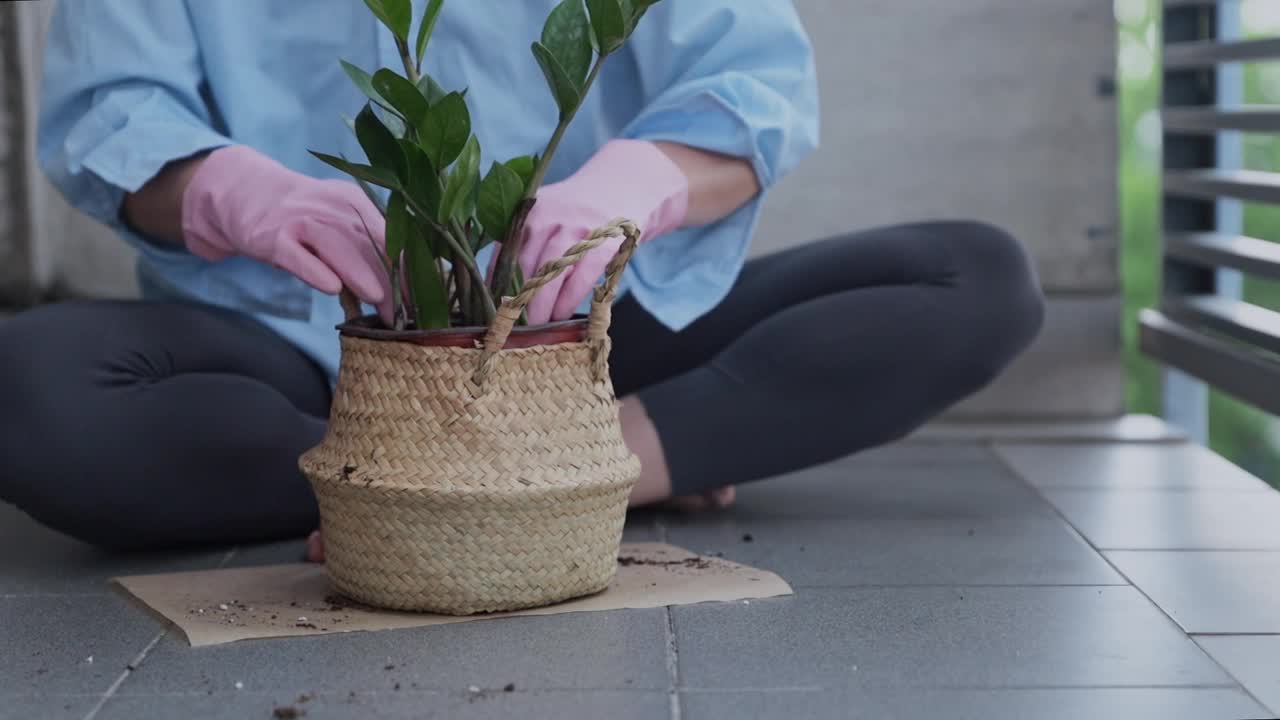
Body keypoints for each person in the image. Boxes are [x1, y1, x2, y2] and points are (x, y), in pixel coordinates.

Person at [0, 1, 1044, 559]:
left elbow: (755, 97)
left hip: (570, 342)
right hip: (300, 349)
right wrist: (230, 189)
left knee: (974, 278)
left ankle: (587, 468)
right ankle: (453, 484)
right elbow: (109, 116)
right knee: (28, 393)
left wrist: (638, 181)